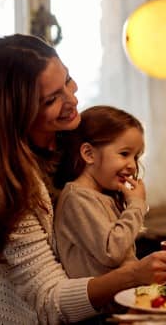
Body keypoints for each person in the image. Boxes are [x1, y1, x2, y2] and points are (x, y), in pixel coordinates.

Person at [0, 35, 166, 324]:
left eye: (68, 81)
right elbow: (50, 302)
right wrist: (133, 275)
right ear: (17, 113)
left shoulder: (69, 144)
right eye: (52, 99)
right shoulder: (7, 186)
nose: (72, 99)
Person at [54, 105, 148, 278]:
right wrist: (136, 205)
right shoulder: (78, 198)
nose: (133, 166)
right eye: (124, 153)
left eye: (135, 157)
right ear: (89, 154)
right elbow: (112, 252)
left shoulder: (102, 196)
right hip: (104, 304)